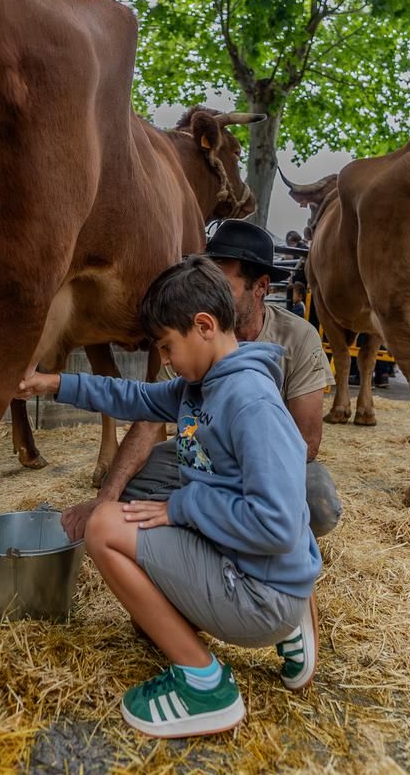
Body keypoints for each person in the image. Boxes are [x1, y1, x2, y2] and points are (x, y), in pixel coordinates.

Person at [18, 256, 320, 738]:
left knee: (104, 527)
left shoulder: (249, 402)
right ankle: (290, 620)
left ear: (203, 326)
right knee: (147, 505)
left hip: (260, 592)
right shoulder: (200, 387)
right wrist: (52, 383)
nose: (164, 359)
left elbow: (278, 523)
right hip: (257, 569)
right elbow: (131, 396)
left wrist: (181, 508)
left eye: (166, 346)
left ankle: (206, 686)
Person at [61, 219, 341, 545]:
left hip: (266, 463)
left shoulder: (298, 338)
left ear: (261, 286)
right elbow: (149, 415)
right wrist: (107, 495)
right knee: (127, 485)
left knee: (319, 505)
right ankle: (211, 512)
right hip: (200, 451)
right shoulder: (190, 336)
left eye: (221, 286)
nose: (207, 297)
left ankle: (223, 516)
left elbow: (306, 440)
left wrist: (222, 482)